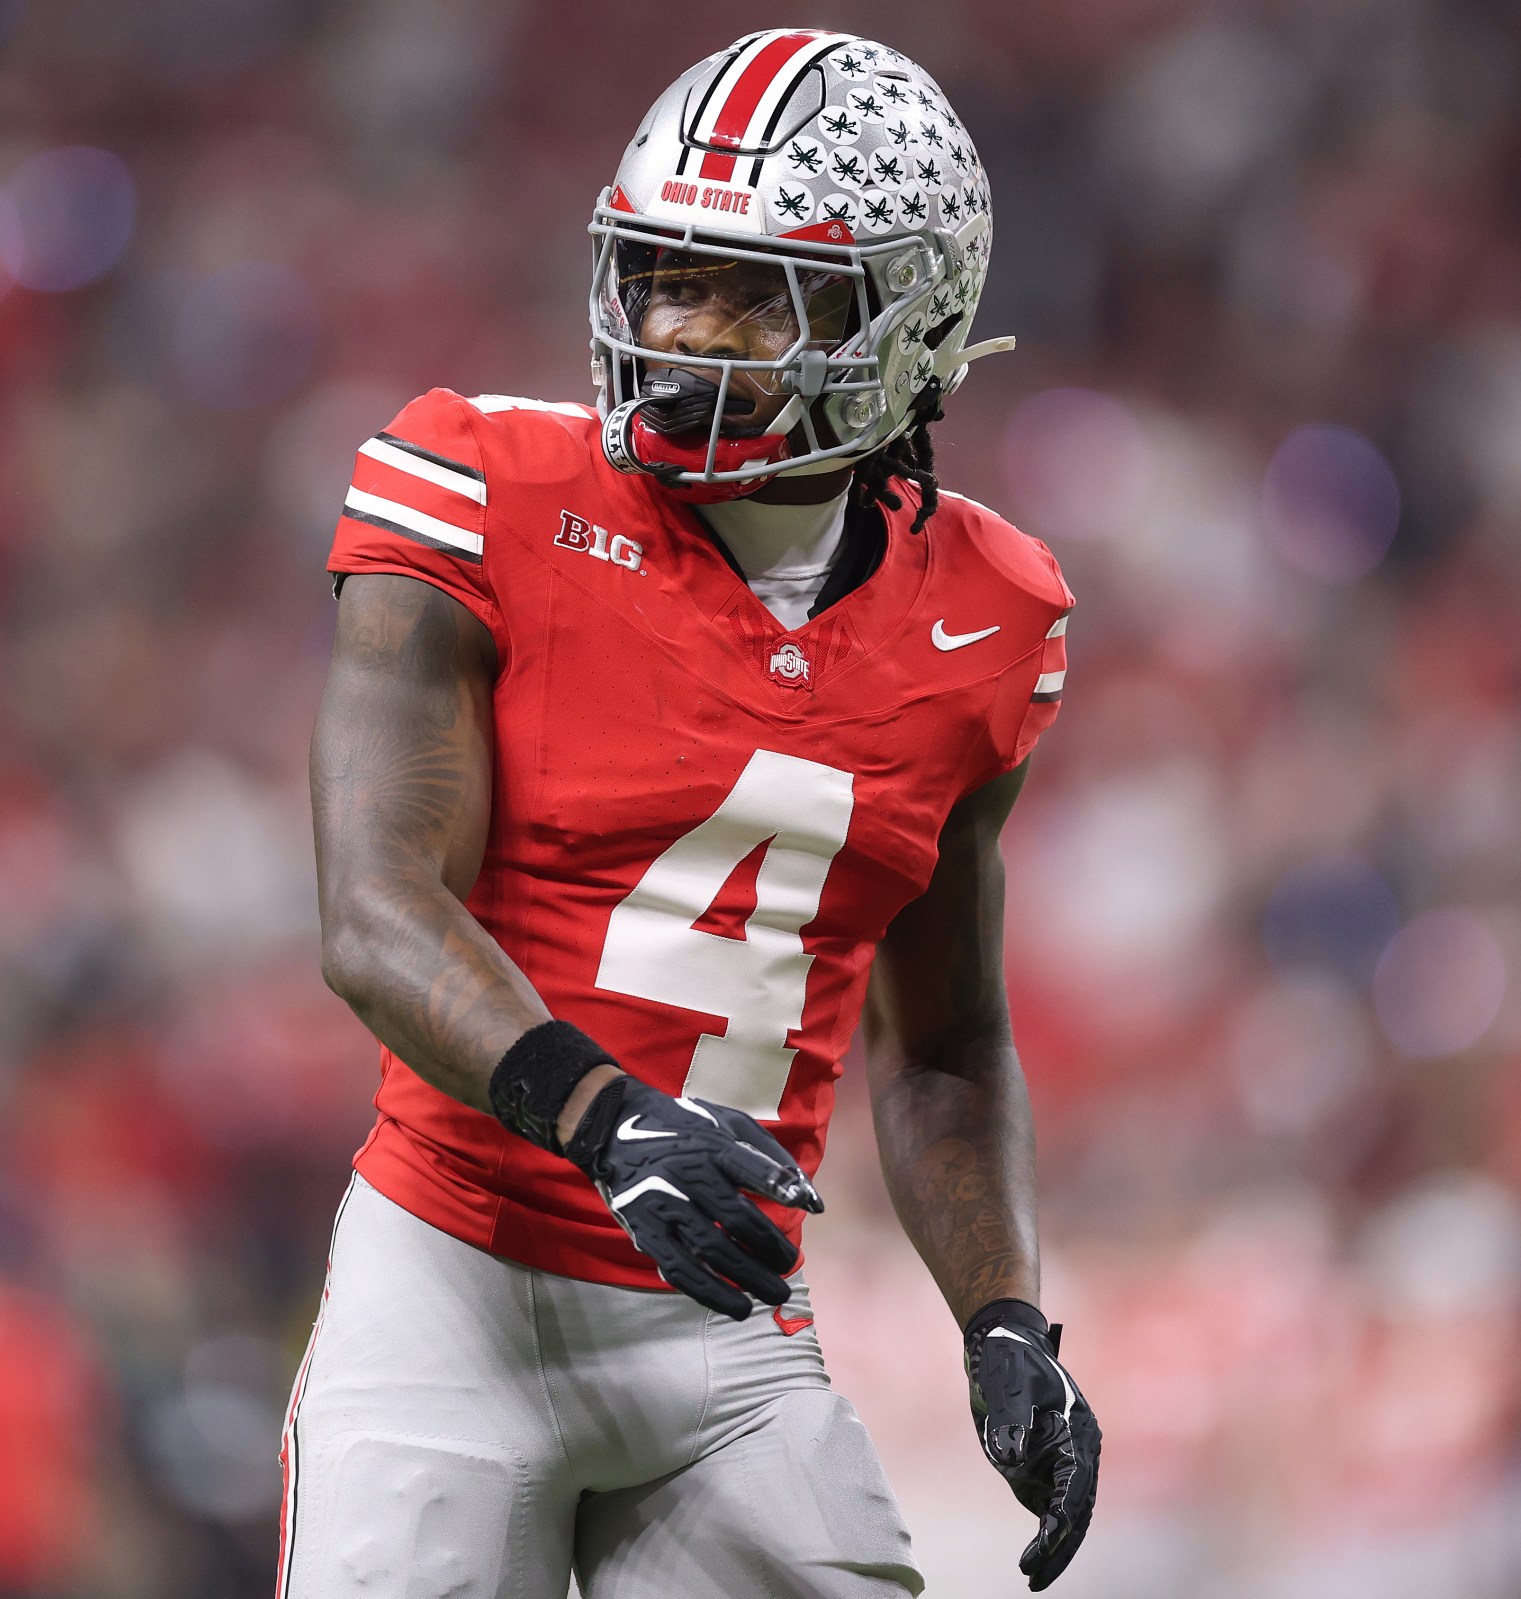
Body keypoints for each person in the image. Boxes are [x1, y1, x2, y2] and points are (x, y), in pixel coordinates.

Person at [287, 29, 1101, 1599]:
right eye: (664, 275)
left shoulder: (992, 619)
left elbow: (942, 1042)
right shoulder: (477, 485)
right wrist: (607, 1120)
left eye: (750, 293)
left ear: (902, 313)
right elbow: (375, 913)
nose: (679, 329)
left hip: (726, 1343)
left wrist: (1003, 1318)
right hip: (452, 1288)